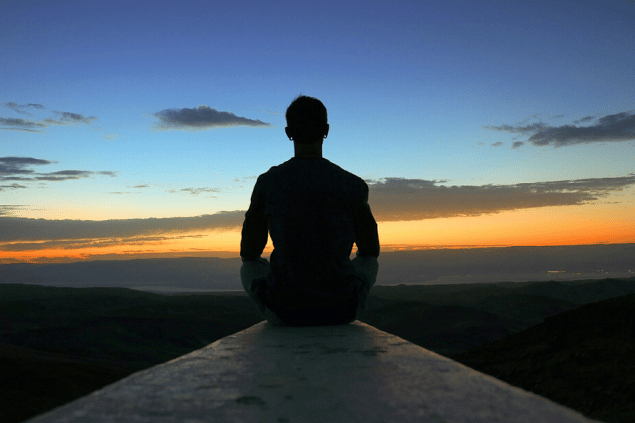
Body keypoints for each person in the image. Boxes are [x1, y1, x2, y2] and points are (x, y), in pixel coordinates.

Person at [240, 95, 380, 326]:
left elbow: (249, 252)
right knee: (367, 261)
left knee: (250, 268)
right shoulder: (352, 184)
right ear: (326, 130)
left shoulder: (268, 182)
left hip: (284, 311)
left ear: (288, 132)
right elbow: (370, 250)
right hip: (342, 310)